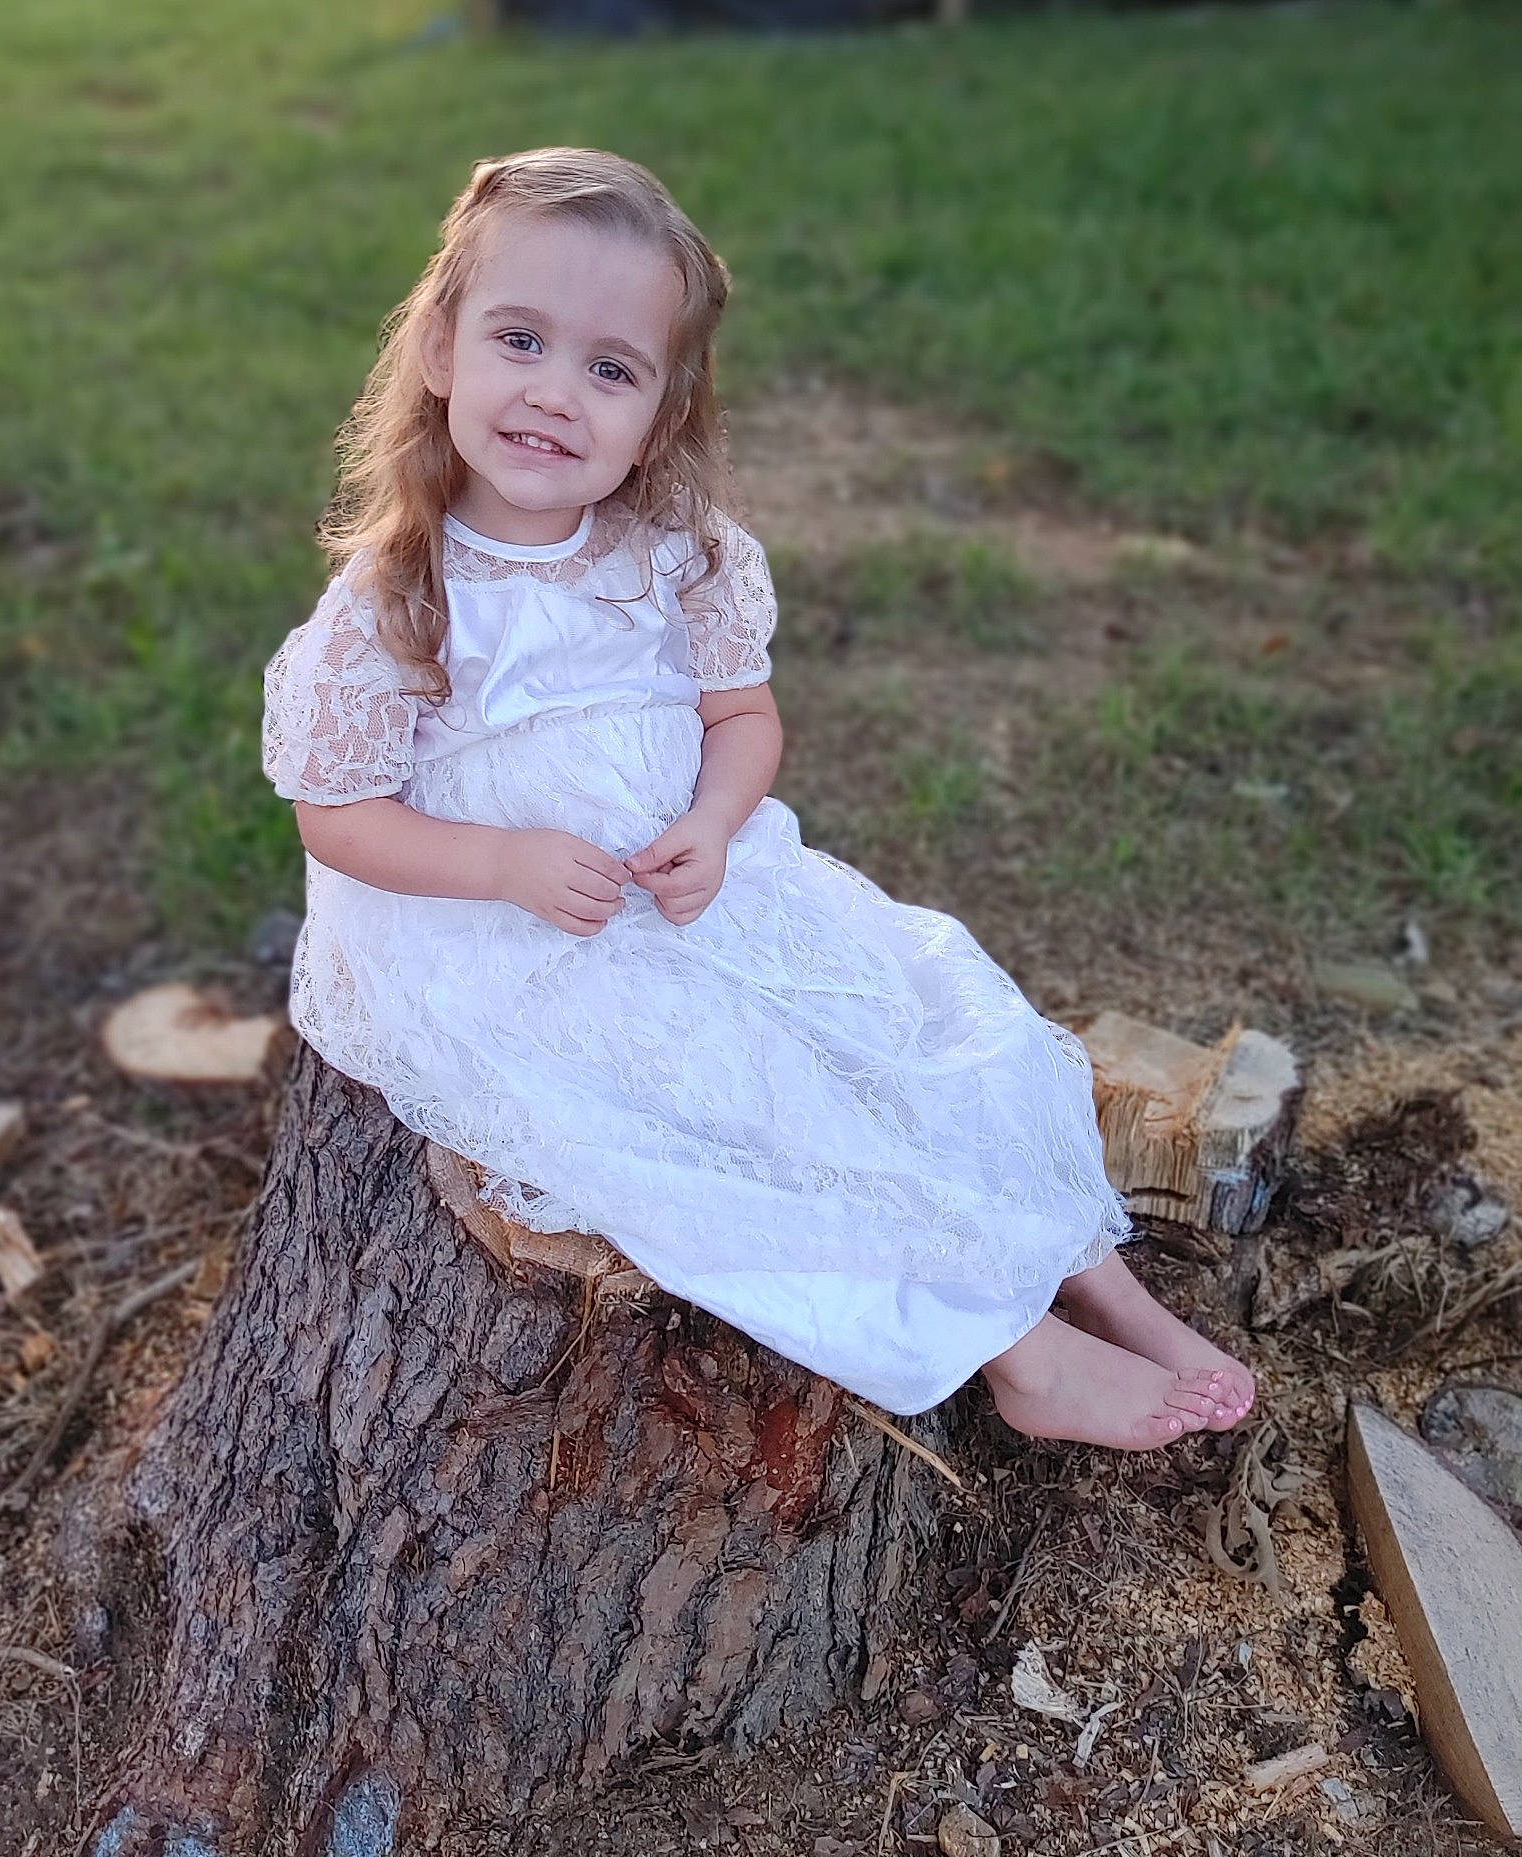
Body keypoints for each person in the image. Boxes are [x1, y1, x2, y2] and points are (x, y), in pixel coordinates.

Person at [261, 147, 1255, 1451]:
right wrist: (502, 864)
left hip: (688, 880)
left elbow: (741, 721)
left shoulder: (678, 559)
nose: (556, 394)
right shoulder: (396, 603)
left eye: (609, 368)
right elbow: (338, 819)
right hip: (499, 932)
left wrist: (715, 824)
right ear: (442, 346)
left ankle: (1103, 1286)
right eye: (521, 340)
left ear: (661, 411)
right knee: (746, 1106)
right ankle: (1019, 1354)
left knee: (911, 1015)